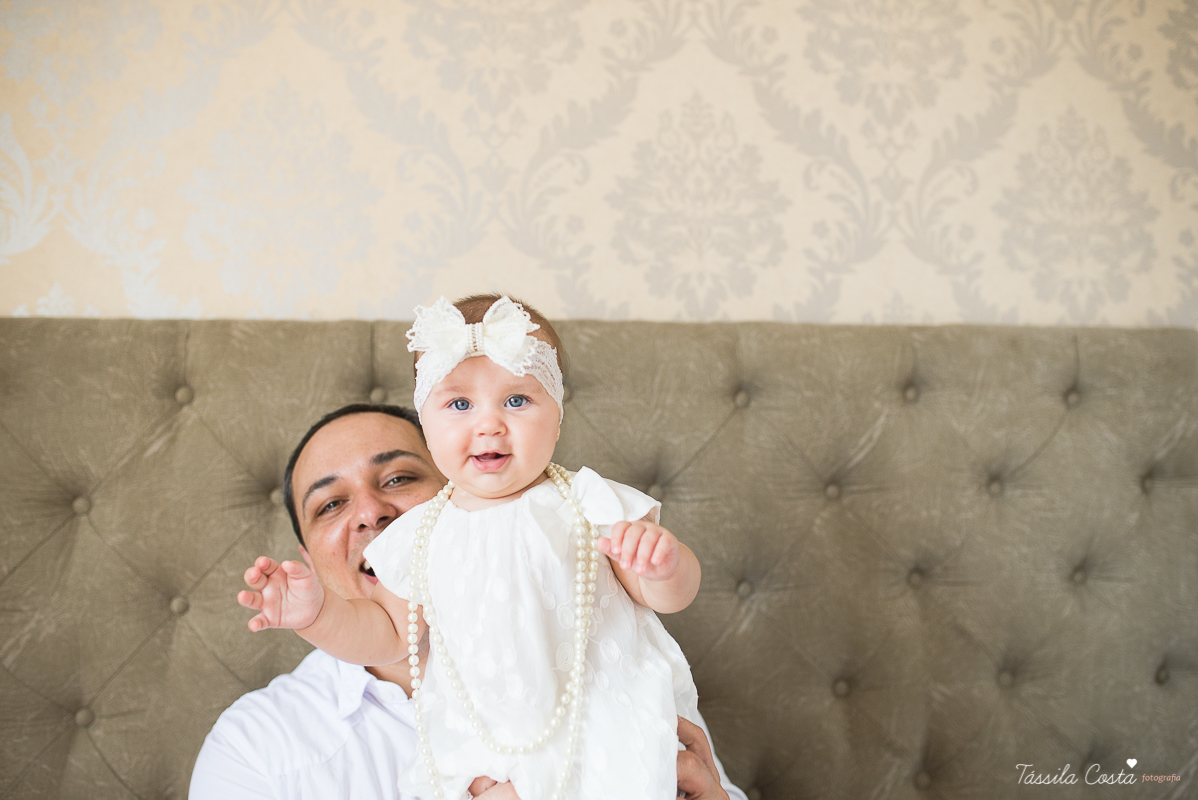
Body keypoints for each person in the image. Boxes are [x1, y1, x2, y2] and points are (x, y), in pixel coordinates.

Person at [234, 295, 727, 800]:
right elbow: (386, 633)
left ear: (557, 418)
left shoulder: (587, 502)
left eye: (516, 401)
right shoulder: (423, 532)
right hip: (486, 753)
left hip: (601, 724)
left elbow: (665, 596)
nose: (489, 424)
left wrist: (662, 564)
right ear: (430, 424)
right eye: (459, 404)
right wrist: (316, 613)